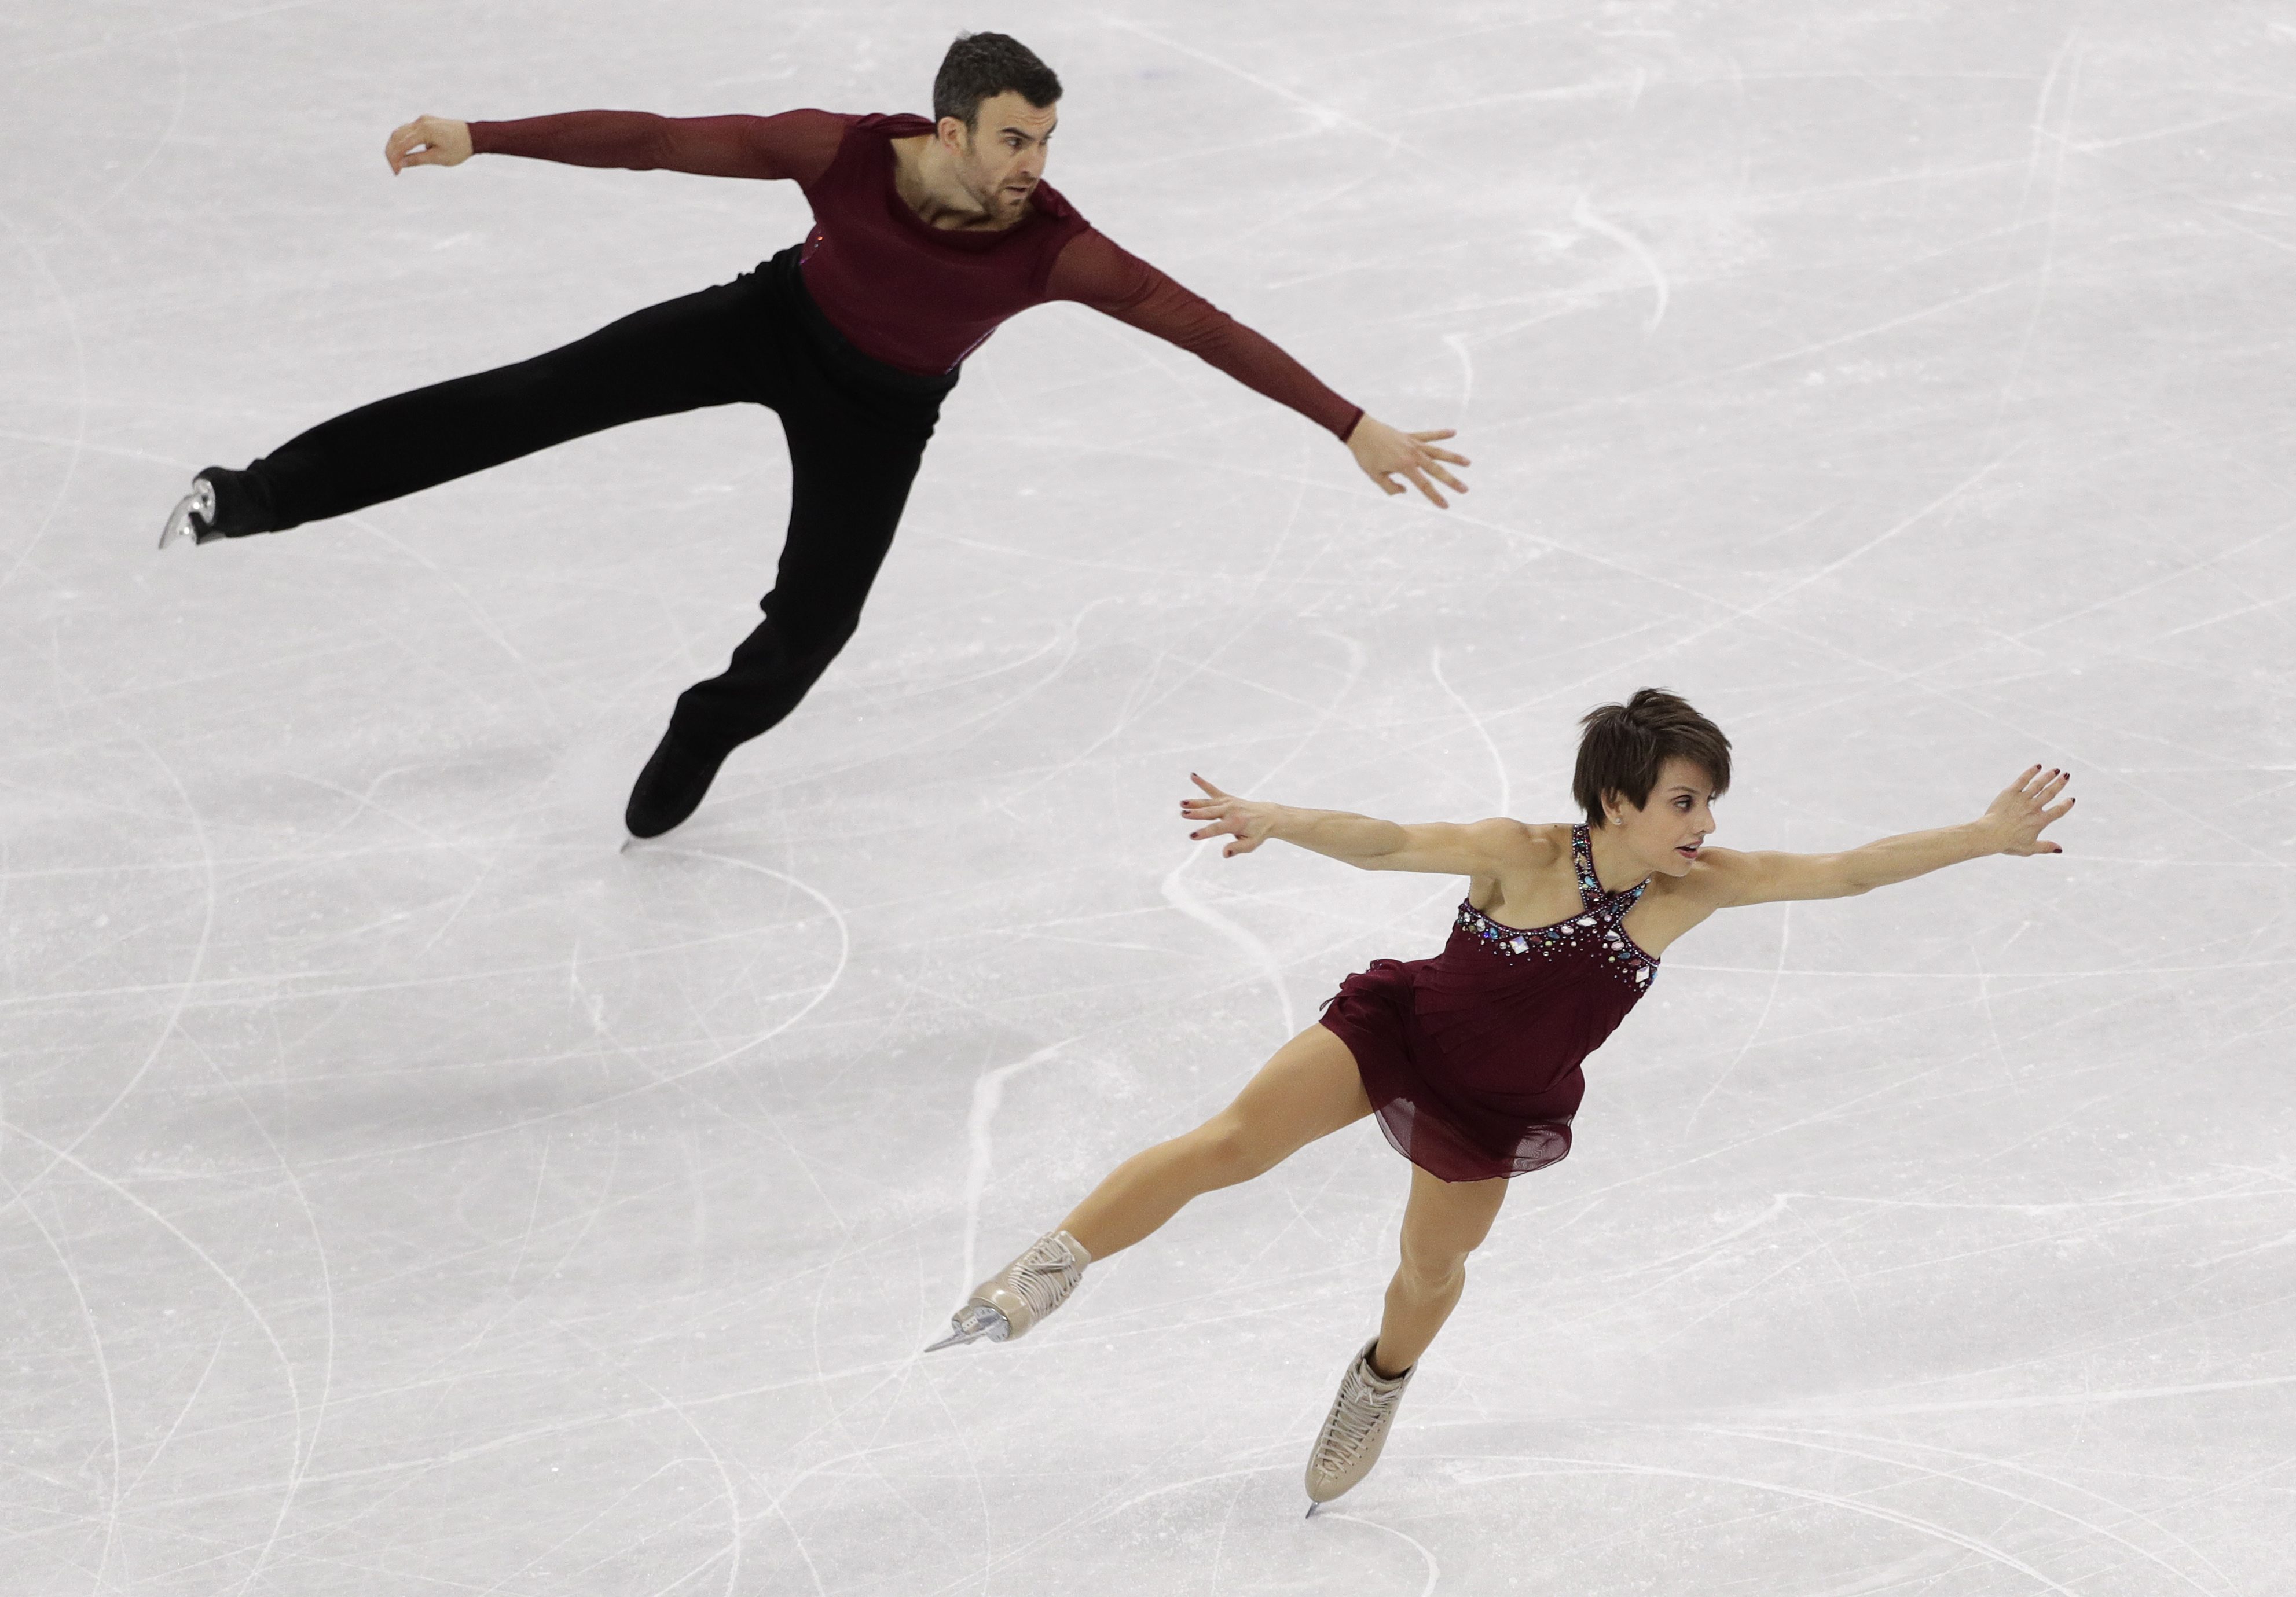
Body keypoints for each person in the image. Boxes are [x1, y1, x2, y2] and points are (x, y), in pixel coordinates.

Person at [155, 31, 1469, 838]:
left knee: (815, 625)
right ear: (948, 130)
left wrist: (1348, 423)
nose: (1035, 163)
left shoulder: (1056, 250)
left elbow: (1201, 325)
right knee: (524, 399)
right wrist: (481, 138)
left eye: (1047, 139)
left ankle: (704, 728)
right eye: (1015, 139)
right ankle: (259, 495)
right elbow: (658, 142)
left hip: (884, 410)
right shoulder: (837, 153)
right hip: (765, 322)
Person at [928, 688, 2076, 1512]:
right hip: (1399, 1032)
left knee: (1429, 1271)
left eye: (1710, 803)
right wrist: (1284, 820)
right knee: (1228, 1143)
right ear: (1618, 800)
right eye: (1685, 801)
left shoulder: (1702, 889)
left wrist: (1981, 837)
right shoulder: (1519, 853)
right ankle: (1048, 1267)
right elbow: (1389, 843)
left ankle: (1377, 1383)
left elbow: (1851, 870)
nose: (1706, 826)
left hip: (1496, 1103)